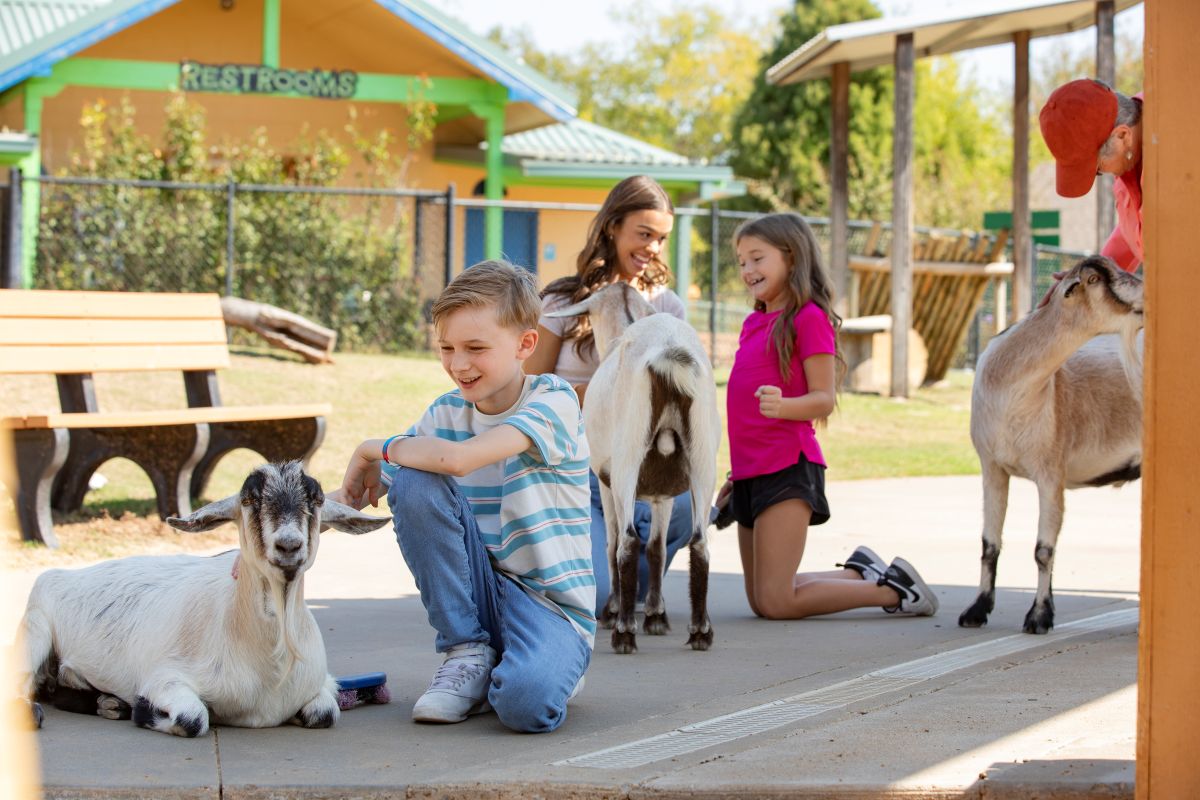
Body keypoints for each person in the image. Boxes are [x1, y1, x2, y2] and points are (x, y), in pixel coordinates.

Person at [336, 260, 593, 733]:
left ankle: (547, 664)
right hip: (478, 593)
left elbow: (458, 460)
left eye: (476, 348)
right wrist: (262, 542)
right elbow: (353, 500)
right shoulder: (445, 414)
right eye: (447, 348)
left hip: (547, 606)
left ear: (525, 344)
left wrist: (374, 447)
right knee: (414, 480)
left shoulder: (554, 400)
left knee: (525, 706)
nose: (458, 364)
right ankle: (468, 652)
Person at [720, 212, 938, 620]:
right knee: (762, 600)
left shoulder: (809, 318)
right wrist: (738, 475)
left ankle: (894, 591)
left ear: (791, 257)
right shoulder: (753, 323)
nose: (747, 270)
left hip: (787, 468)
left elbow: (823, 398)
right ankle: (860, 573)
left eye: (757, 258)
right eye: (742, 261)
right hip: (751, 473)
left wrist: (785, 406)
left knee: (777, 602)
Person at [524, 174, 693, 616]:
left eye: (661, 238)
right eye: (644, 234)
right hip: (578, 469)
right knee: (596, 597)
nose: (653, 248)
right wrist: (594, 393)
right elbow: (527, 389)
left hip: (641, 463)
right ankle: (602, 584)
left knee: (686, 506)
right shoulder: (563, 300)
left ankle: (629, 586)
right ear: (613, 226)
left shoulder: (666, 307)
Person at [1039, 78, 1144, 272]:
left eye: (1097, 169)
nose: (1102, 173)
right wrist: (1093, 274)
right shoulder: (1129, 156)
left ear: (1122, 136)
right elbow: (1134, 229)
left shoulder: (1172, 153)